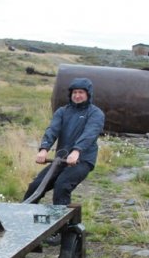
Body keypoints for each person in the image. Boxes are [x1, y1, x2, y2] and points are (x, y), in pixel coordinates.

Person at [23, 77, 105, 208]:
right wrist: (44, 149)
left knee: (62, 186)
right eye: (74, 93)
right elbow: (52, 130)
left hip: (82, 160)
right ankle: (23, 216)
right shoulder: (62, 111)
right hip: (61, 159)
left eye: (81, 92)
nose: (77, 96)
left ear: (88, 94)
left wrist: (77, 150)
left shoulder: (95, 113)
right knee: (36, 185)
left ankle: (65, 226)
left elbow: (90, 133)